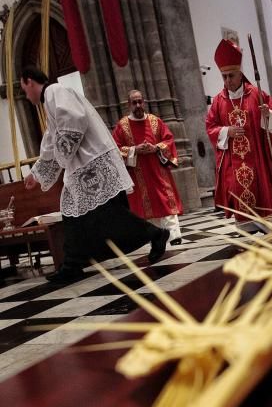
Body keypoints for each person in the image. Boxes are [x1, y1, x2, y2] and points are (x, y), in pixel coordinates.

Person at [20, 67, 170, 285]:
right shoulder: (51, 100)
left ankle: (155, 234)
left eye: (24, 90)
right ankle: (72, 265)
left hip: (92, 165)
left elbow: (73, 123)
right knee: (74, 216)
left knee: (109, 219)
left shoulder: (55, 92)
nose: (26, 95)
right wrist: (37, 173)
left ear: (30, 81)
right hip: (82, 168)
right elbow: (51, 139)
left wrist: (61, 156)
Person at [206, 39, 272, 223]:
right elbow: (210, 127)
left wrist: (268, 115)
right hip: (233, 164)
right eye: (224, 76)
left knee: (264, 199)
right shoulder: (218, 101)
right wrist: (227, 131)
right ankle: (247, 231)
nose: (227, 81)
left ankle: (270, 228)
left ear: (240, 73)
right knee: (242, 210)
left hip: (258, 159)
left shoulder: (256, 94)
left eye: (231, 76)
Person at [112, 90, 183, 244]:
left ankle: (174, 235)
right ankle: (156, 238)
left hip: (158, 171)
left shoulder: (155, 121)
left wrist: (156, 147)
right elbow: (115, 149)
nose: (138, 105)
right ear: (128, 104)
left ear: (144, 102)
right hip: (138, 173)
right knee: (146, 206)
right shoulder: (122, 126)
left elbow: (169, 140)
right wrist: (134, 150)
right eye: (134, 102)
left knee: (165, 200)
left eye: (140, 102)